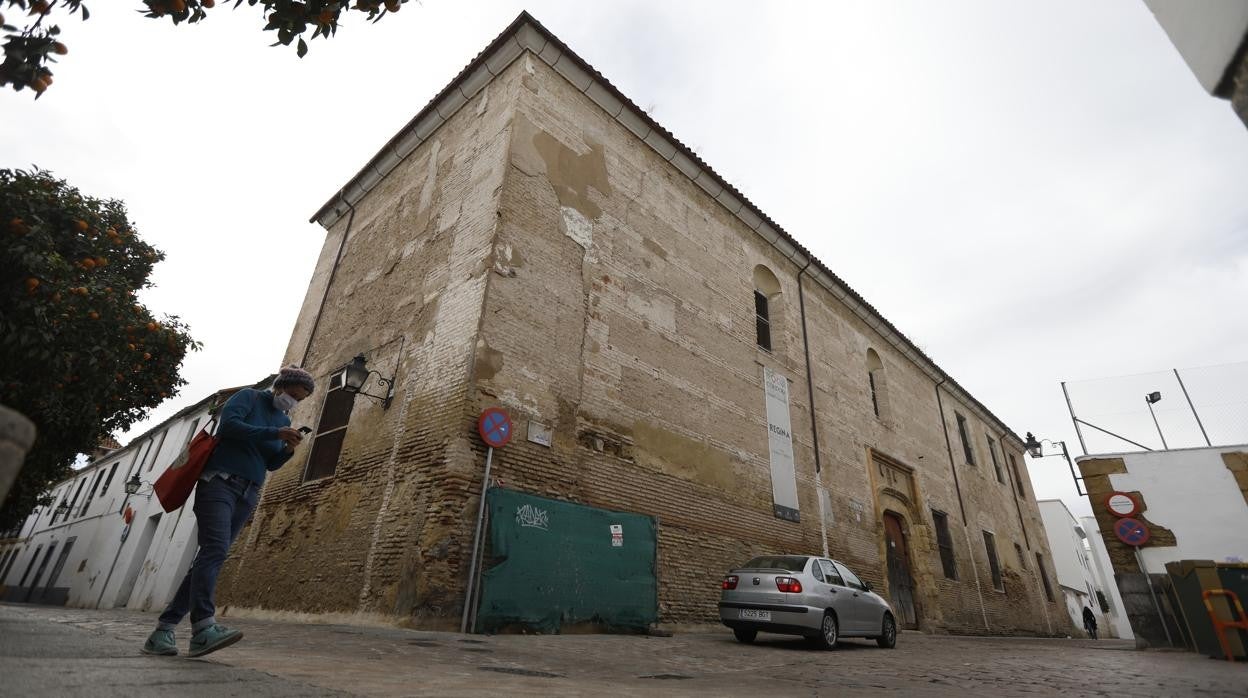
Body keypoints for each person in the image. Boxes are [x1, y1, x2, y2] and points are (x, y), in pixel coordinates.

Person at [141, 366, 315, 658]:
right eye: (292, 395)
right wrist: (274, 432)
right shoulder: (249, 398)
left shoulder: (283, 419)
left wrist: (286, 449)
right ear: (280, 386)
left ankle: (163, 630)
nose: (294, 403)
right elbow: (229, 428)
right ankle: (204, 628)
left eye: (300, 399)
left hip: (248, 492)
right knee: (215, 549)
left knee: (209, 557)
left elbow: (269, 464)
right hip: (219, 482)